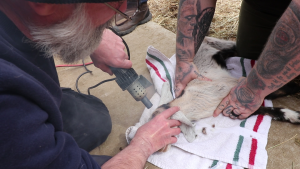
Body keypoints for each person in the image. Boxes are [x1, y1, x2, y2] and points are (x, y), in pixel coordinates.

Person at [0, 0, 181, 168]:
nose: (124, 8)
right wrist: (144, 144)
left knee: (93, 121)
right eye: (114, 4)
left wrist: (87, 35)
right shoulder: (9, 107)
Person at [174, 0, 300, 120]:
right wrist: (184, 59)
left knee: (274, 68)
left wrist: (252, 90)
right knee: (249, 57)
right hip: (267, 5)